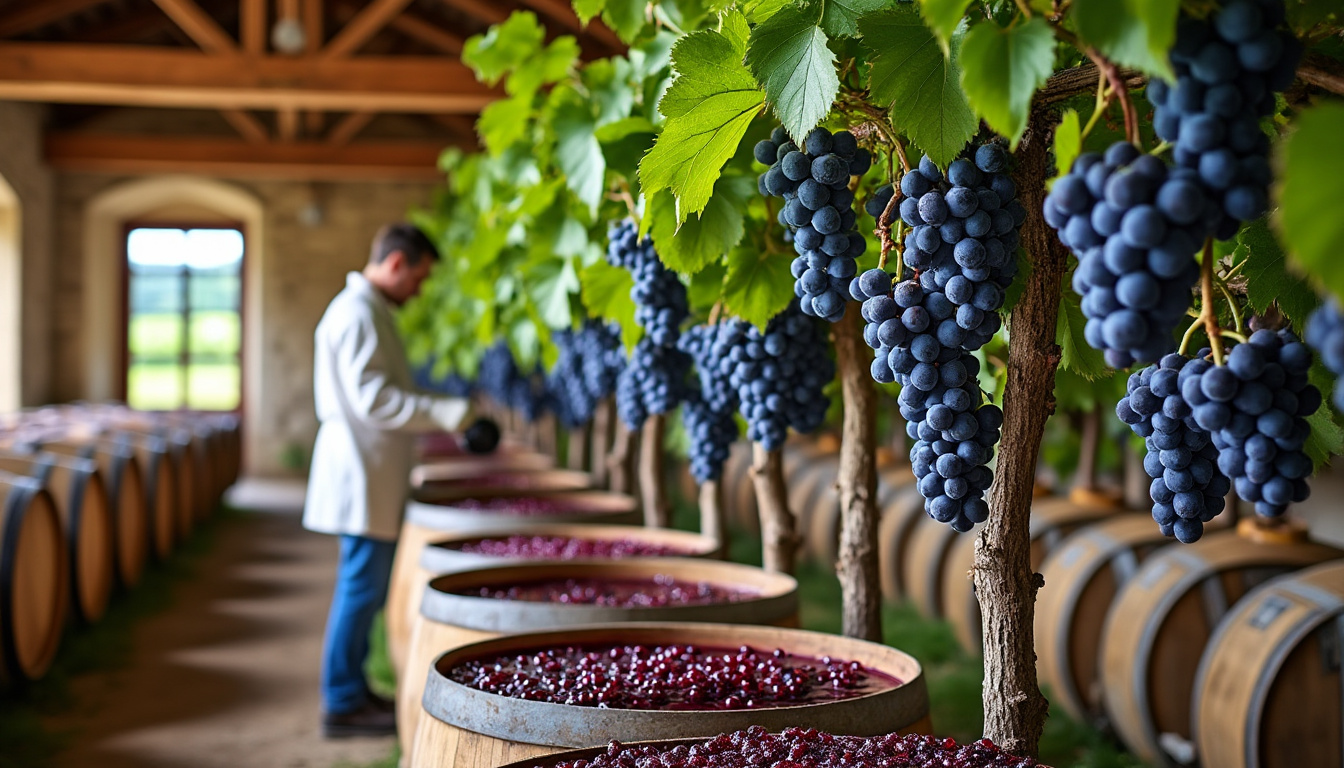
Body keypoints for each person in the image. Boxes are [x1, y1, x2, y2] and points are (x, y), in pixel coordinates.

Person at [303, 223, 470, 738]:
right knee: (359, 589)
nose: (418, 291)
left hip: (367, 467)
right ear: (396, 263)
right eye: (417, 278)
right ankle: (342, 701)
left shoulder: (366, 311)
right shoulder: (356, 314)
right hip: (359, 469)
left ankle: (349, 691)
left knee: (364, 588)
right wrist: (447, 413)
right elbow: (373, 399)